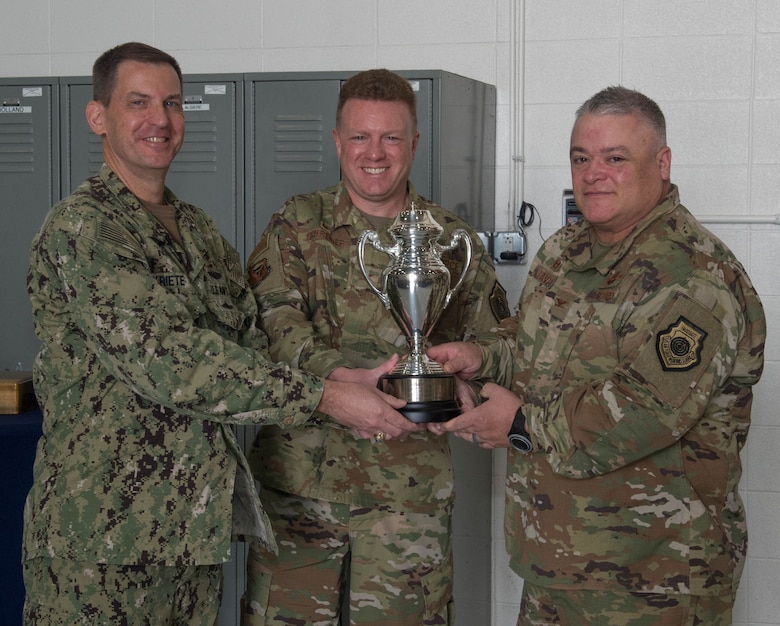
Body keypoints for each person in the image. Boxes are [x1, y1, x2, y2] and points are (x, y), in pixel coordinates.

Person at [23, 43, 419, 626]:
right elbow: (172, 362)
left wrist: (339, 378)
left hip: (190, 537)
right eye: (138, 102)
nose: (160, 120)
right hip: (100, 543)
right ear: (98, 116)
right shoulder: (84, 228)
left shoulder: (198, 231)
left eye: (172, 103)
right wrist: (326, 397)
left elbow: (250, 347)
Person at [428, 86, 766, 625]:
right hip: (555, 561)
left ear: (662, 164)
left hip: (655, 579)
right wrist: (481, 357)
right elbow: (532, 345)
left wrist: (520, 424)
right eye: (581, 158)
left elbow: (645, 411)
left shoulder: (695, 277)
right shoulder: (563, 252)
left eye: (615, 159)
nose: (593, 174)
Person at [243, 68, 510, 625]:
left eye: (391, 137)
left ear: (414, 142)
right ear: (338, 141)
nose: (375, 153)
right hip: (299, 487)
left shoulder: (450, 239)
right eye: (360, 136)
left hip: (407, 496)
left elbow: (500, 338)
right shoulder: (296, 225)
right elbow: (269, 320)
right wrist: (338, 376)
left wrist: (468, 374)